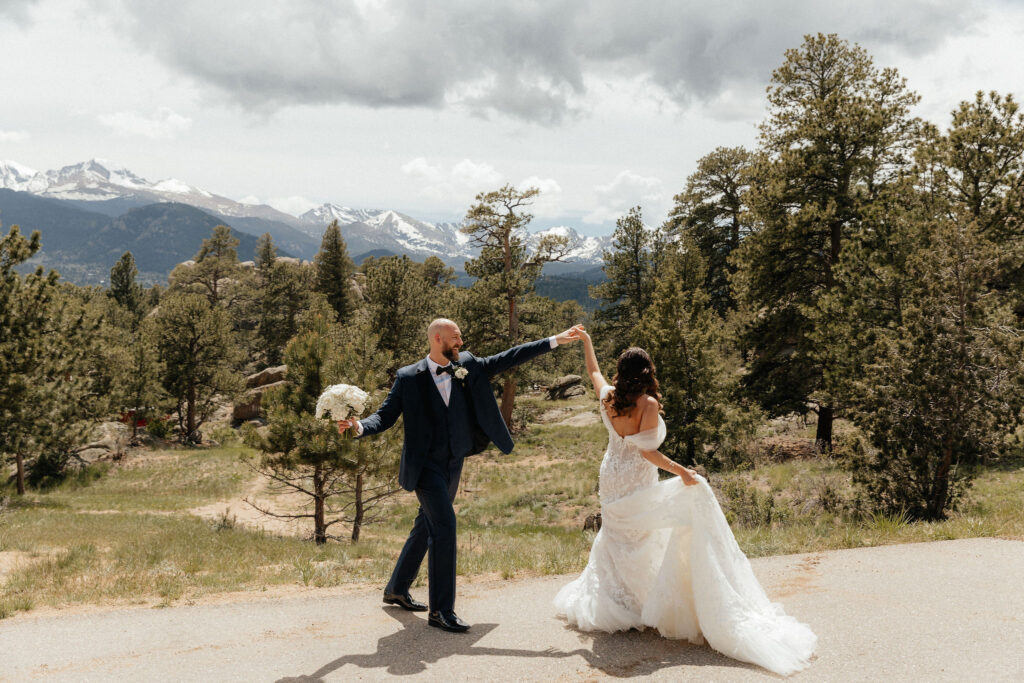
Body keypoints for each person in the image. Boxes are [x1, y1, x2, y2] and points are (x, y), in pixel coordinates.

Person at [553, 325, 817, 676]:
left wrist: (586, 342)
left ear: (621, 373)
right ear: (648, 373)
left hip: (611, 476)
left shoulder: (608, 397)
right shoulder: (648, 403)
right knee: (643, 535)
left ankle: (621, 602)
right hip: (634, 475)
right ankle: (639, 604)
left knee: (618, 535)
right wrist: (682, 472)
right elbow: (648, 453)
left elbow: (593, 372)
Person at [337, 318, 581, 632]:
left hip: (453, 463)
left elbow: (509, 356)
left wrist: (555, 340)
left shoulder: (467, 365)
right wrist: (357, 427)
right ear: (437, 338)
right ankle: (441, 610)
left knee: (427, 522)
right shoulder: (408, 378)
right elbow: (384, 417)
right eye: (456, 337)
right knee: (445, 525)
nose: (461, 343)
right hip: (425, 467)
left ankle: (397, 587)